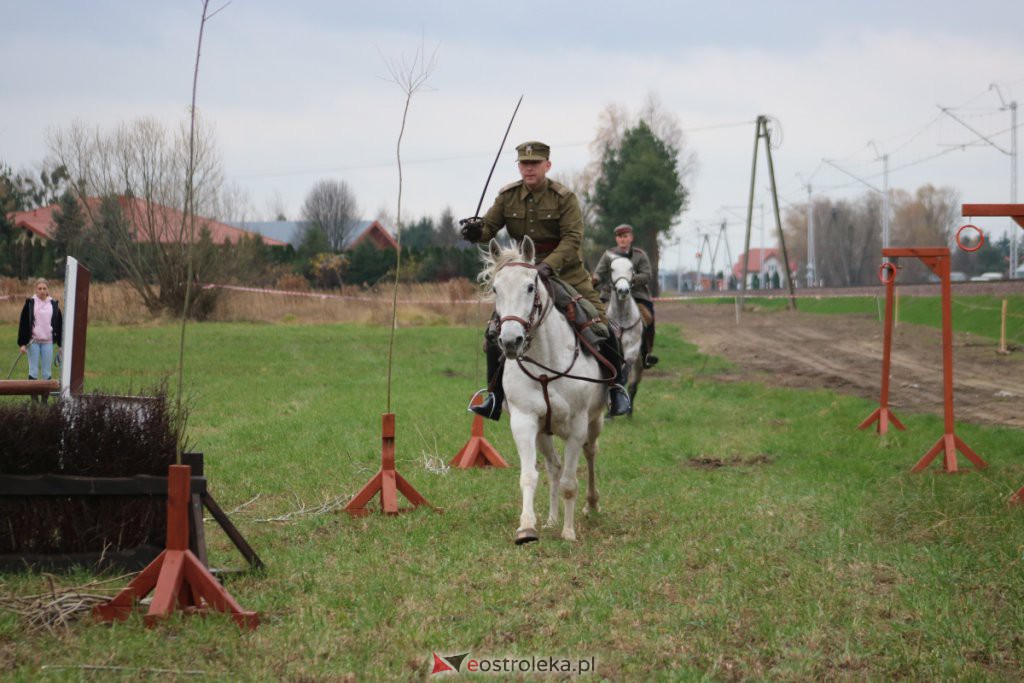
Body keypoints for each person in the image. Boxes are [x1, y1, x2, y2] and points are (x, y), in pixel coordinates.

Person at [460, 140, 631, 420]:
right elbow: (489, 228)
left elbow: (573, 239)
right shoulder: (507, 196)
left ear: (547, 166)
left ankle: (616, 390)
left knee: (600, 326)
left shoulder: (564, 198)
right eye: (524, 164)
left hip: (567, 273)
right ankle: (494, 396)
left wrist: (548, 266)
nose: (529, 169)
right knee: (495, 332)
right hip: (523, 275)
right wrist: (475, 232)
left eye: (535, 164)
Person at [592, 224, 658, 368]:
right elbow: (599, 272)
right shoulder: (608, 255)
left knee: (649, 317)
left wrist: (628, 279)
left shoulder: (640, 255)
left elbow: (647, 275)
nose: (622, 239)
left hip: (637, 295)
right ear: (616, 238)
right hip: (610, 295)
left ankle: (647, 353)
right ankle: (595, 350)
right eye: (619, 237)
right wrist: (594, 280)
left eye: (625, 236)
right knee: (596, 317)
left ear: (631, 238)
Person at [17, 278, 63, 401]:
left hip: (48, 342)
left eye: (44, 288)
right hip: (33, 342)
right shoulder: (30, 304)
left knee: (47, 372)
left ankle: (44, 401)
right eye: (39, 288)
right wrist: (22, 344)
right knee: (33, 370)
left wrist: (60, 344)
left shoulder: (53, 304)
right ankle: (34, 400)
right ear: (35, 289)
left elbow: (59, 324)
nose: (42, 291)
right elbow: (24, 323)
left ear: (47, 289)